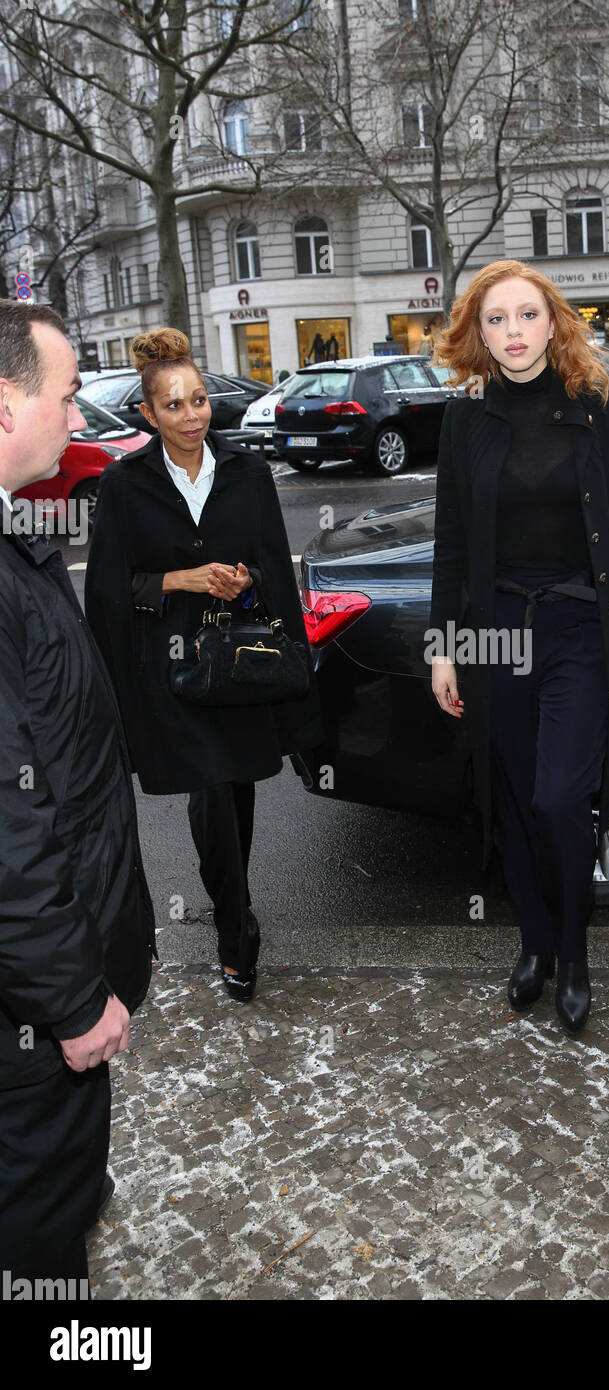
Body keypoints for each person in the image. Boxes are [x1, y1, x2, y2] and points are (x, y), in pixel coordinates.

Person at [429, 260, 609, 1034]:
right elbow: (451, 543)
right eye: (496, 320)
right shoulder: (464, 415)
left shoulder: (594, 402)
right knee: (516, 800)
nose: (513, 333)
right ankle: (533, 941)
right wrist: (444, 646)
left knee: (561, 798)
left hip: (578, 629)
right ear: (476, 332)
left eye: (526, 316)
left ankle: (573, 949)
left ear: (552, 321)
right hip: (494, 630)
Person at [85, 329, 321, 1002]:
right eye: (173, 405)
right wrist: (182, 580)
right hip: (168, 668)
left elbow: (274, 566)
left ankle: (229, 897)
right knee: (213, 787)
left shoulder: (246, 471)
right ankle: (236, 928)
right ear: (148, 415)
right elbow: (110, 589)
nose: (191, 416)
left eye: (198, 400)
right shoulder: (124, 484)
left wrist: (241, 581)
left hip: (237, 660)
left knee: (227, 790)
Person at [0, 301, 155, 1282]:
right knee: (40, 1232)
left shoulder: (20, 531)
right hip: (32, 1019)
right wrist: (68, 1001)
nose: (75, 418)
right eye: (64, 396)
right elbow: (8, 829)